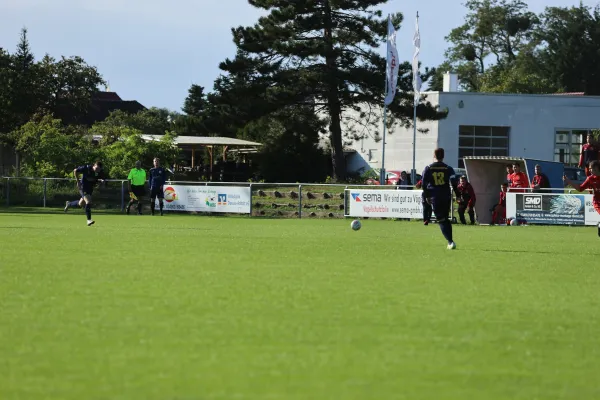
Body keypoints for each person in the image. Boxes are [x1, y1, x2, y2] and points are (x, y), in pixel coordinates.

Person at [421, 148, 458, 249]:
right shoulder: (448, 168)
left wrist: (427, 196)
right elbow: (454, 183)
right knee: (445, 218)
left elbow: (424, 184)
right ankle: (450, 241)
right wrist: (458, 195)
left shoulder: (428, 168)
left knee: (441, 219)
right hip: (446, 195)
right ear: (443, 156)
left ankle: (450, 241)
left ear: (434, 156)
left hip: (435, 196)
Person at [564, 160, 600, 237]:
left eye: (591, 168)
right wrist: (569, 181)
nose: (590, 170)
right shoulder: (590, 179)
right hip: (597, 202)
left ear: (597, 168)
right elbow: (580, 188)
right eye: (589, 168)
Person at [64, 161, 105, 226]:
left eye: (99, 169)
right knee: (88, 202)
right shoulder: (86, 168)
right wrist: (78, 181)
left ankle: (69, 204)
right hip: (83, 187)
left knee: (81, 204)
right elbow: (75, 170)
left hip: (89, 189)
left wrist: (100, 180)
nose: (97, 170)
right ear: (94, 165)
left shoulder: (98, 173)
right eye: (96, 168)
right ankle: (89, 220)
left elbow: (94, 179)